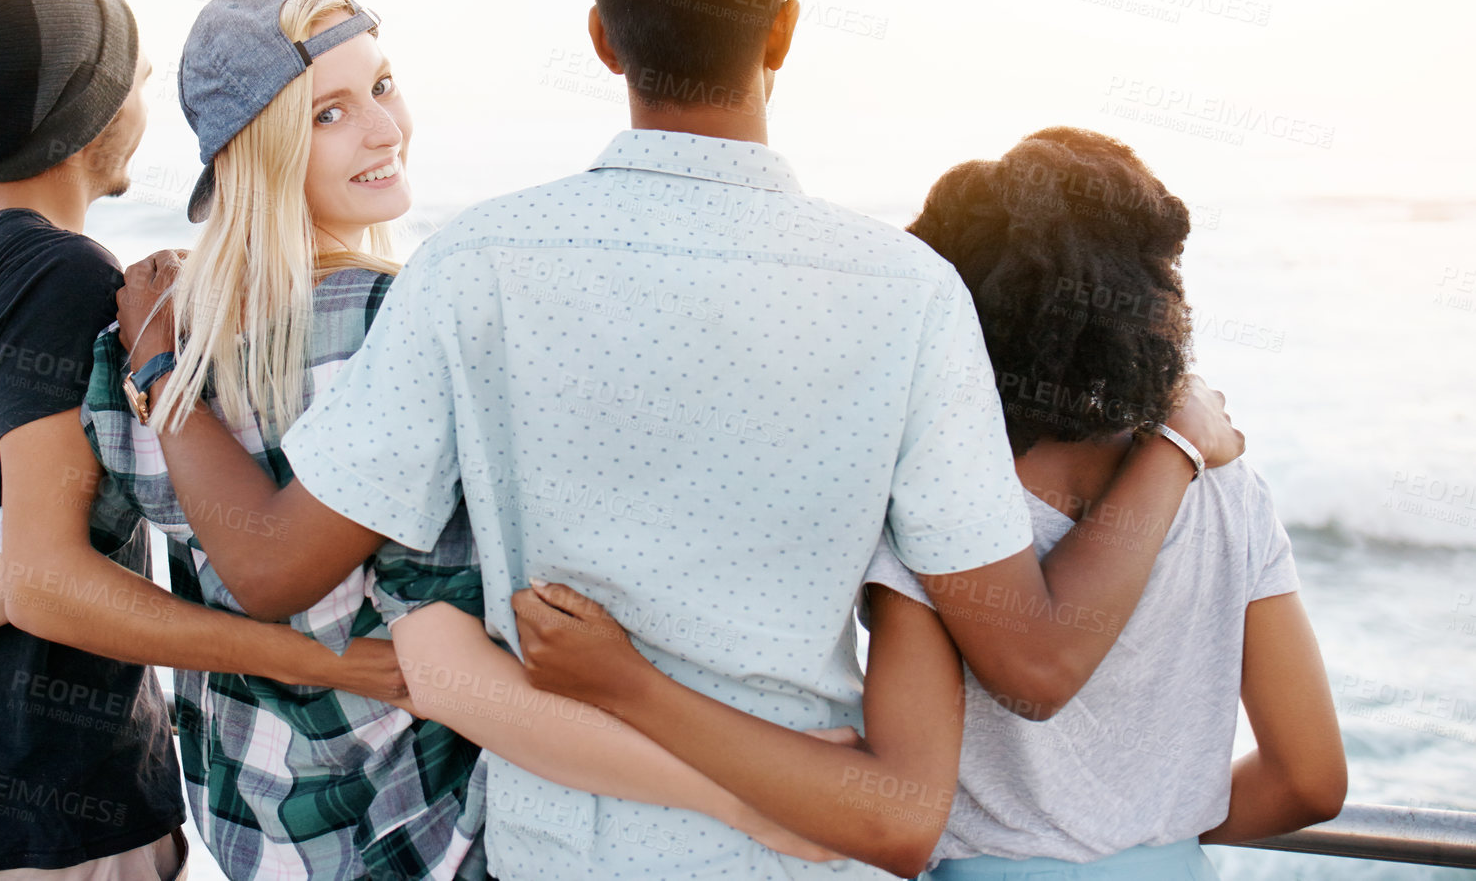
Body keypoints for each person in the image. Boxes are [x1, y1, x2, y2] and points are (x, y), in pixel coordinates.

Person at [114, 0, 1240, 880]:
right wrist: (1179, 444)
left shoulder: (474, 267)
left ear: (604, 39)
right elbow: (1031, 665)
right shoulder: (910, 294)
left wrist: (165, 363)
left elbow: (267, 567)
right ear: (784, 34)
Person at [87, 0, 829, 879]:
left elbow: (39, 562)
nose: (383, 129)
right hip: (414, 835)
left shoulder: (160, 336)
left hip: (258, 834)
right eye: (327, 114)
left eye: (384, 86)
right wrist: (746, 792)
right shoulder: (390, 324)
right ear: (262, 151)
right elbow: (457, 671)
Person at [511, 128, 1346, 878]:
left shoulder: (947, 511)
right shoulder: (1225, 485)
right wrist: (1141, 837)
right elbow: (1310, 778)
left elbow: (904, 814)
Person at [0, 0, 395, 881]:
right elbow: (40, 571)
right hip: (51, 811)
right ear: (91, 112)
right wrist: (314, 659)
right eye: (134, 82)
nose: (145, 104)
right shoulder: (67, 280)